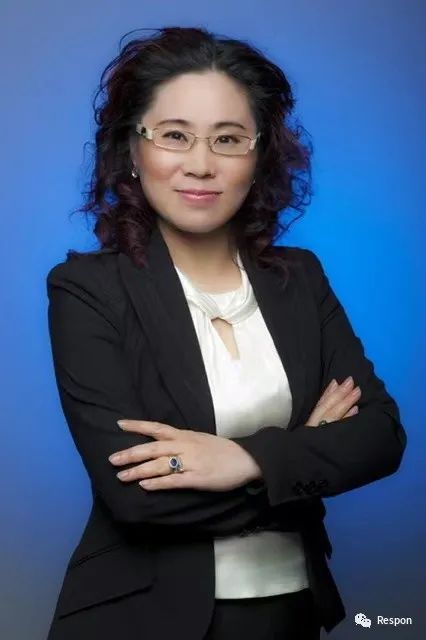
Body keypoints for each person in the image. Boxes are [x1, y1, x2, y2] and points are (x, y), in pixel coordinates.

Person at [45, 26, 407, 640]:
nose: (201, 164)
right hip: (140, 620)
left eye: (229, 139)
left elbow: (380, 436)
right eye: (174, 135)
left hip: (292, 611)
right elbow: (136, 497)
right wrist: (299, 458)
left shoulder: (300, 278)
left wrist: (241, 458)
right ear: (133, 149)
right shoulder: (87, 290)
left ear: (259, 155)